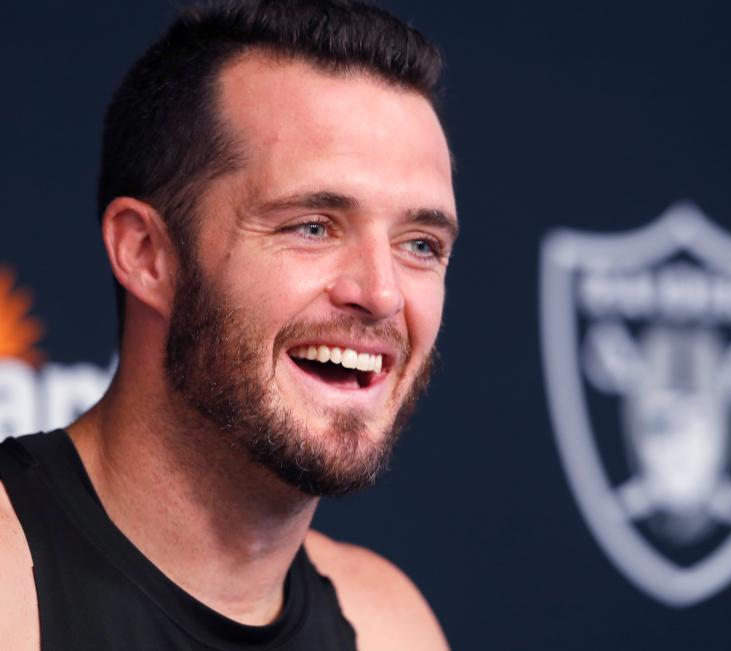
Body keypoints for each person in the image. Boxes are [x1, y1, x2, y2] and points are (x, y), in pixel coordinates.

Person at [0, 1, 457, 649]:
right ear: (147, 255)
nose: (382, 294)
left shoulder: (389, 625)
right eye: (312, 226)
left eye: (420, 244)